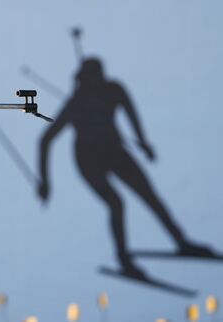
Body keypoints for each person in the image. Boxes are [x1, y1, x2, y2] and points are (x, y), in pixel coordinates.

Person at [38, 57, 214, 278]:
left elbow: (132, 114)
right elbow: (45, 140)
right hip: (88, 160)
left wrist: (143, 143)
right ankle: (123, 259)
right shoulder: (76, 102)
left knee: (150, 195)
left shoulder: (114, 90)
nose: (94, 83)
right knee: (116, 203)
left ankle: (182, 242)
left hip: (115, 152)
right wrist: (46, 182)